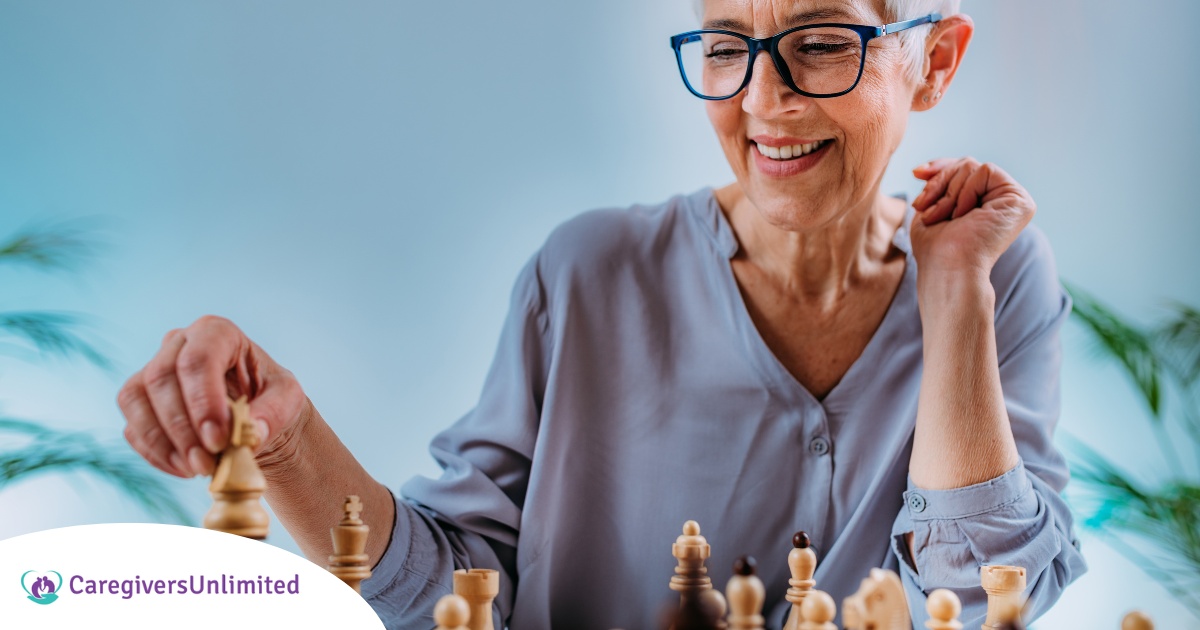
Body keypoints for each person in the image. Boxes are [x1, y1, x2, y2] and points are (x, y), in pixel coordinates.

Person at [116, 0, 1087, 628]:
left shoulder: (997, 270)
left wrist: (956, 294)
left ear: (936, 60)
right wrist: (287, 441)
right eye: (724, 47)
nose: (764, 100)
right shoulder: (584, 276)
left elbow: (978, 603)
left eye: (822, 43)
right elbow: (459, 596)